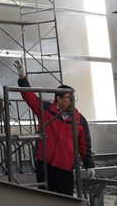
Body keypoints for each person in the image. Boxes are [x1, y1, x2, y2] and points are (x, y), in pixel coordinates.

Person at [13, 59, 94, 195]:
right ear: (59, 99)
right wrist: (22, 77)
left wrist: (89, 165)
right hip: (45, 164)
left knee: (65, 200)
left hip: (65, 166)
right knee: (46, 199)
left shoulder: (80, 120)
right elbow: (29, 96)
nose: (72, 101)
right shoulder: (45, 110)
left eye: (73, 98)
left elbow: (84, 146)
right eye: (69, 98)